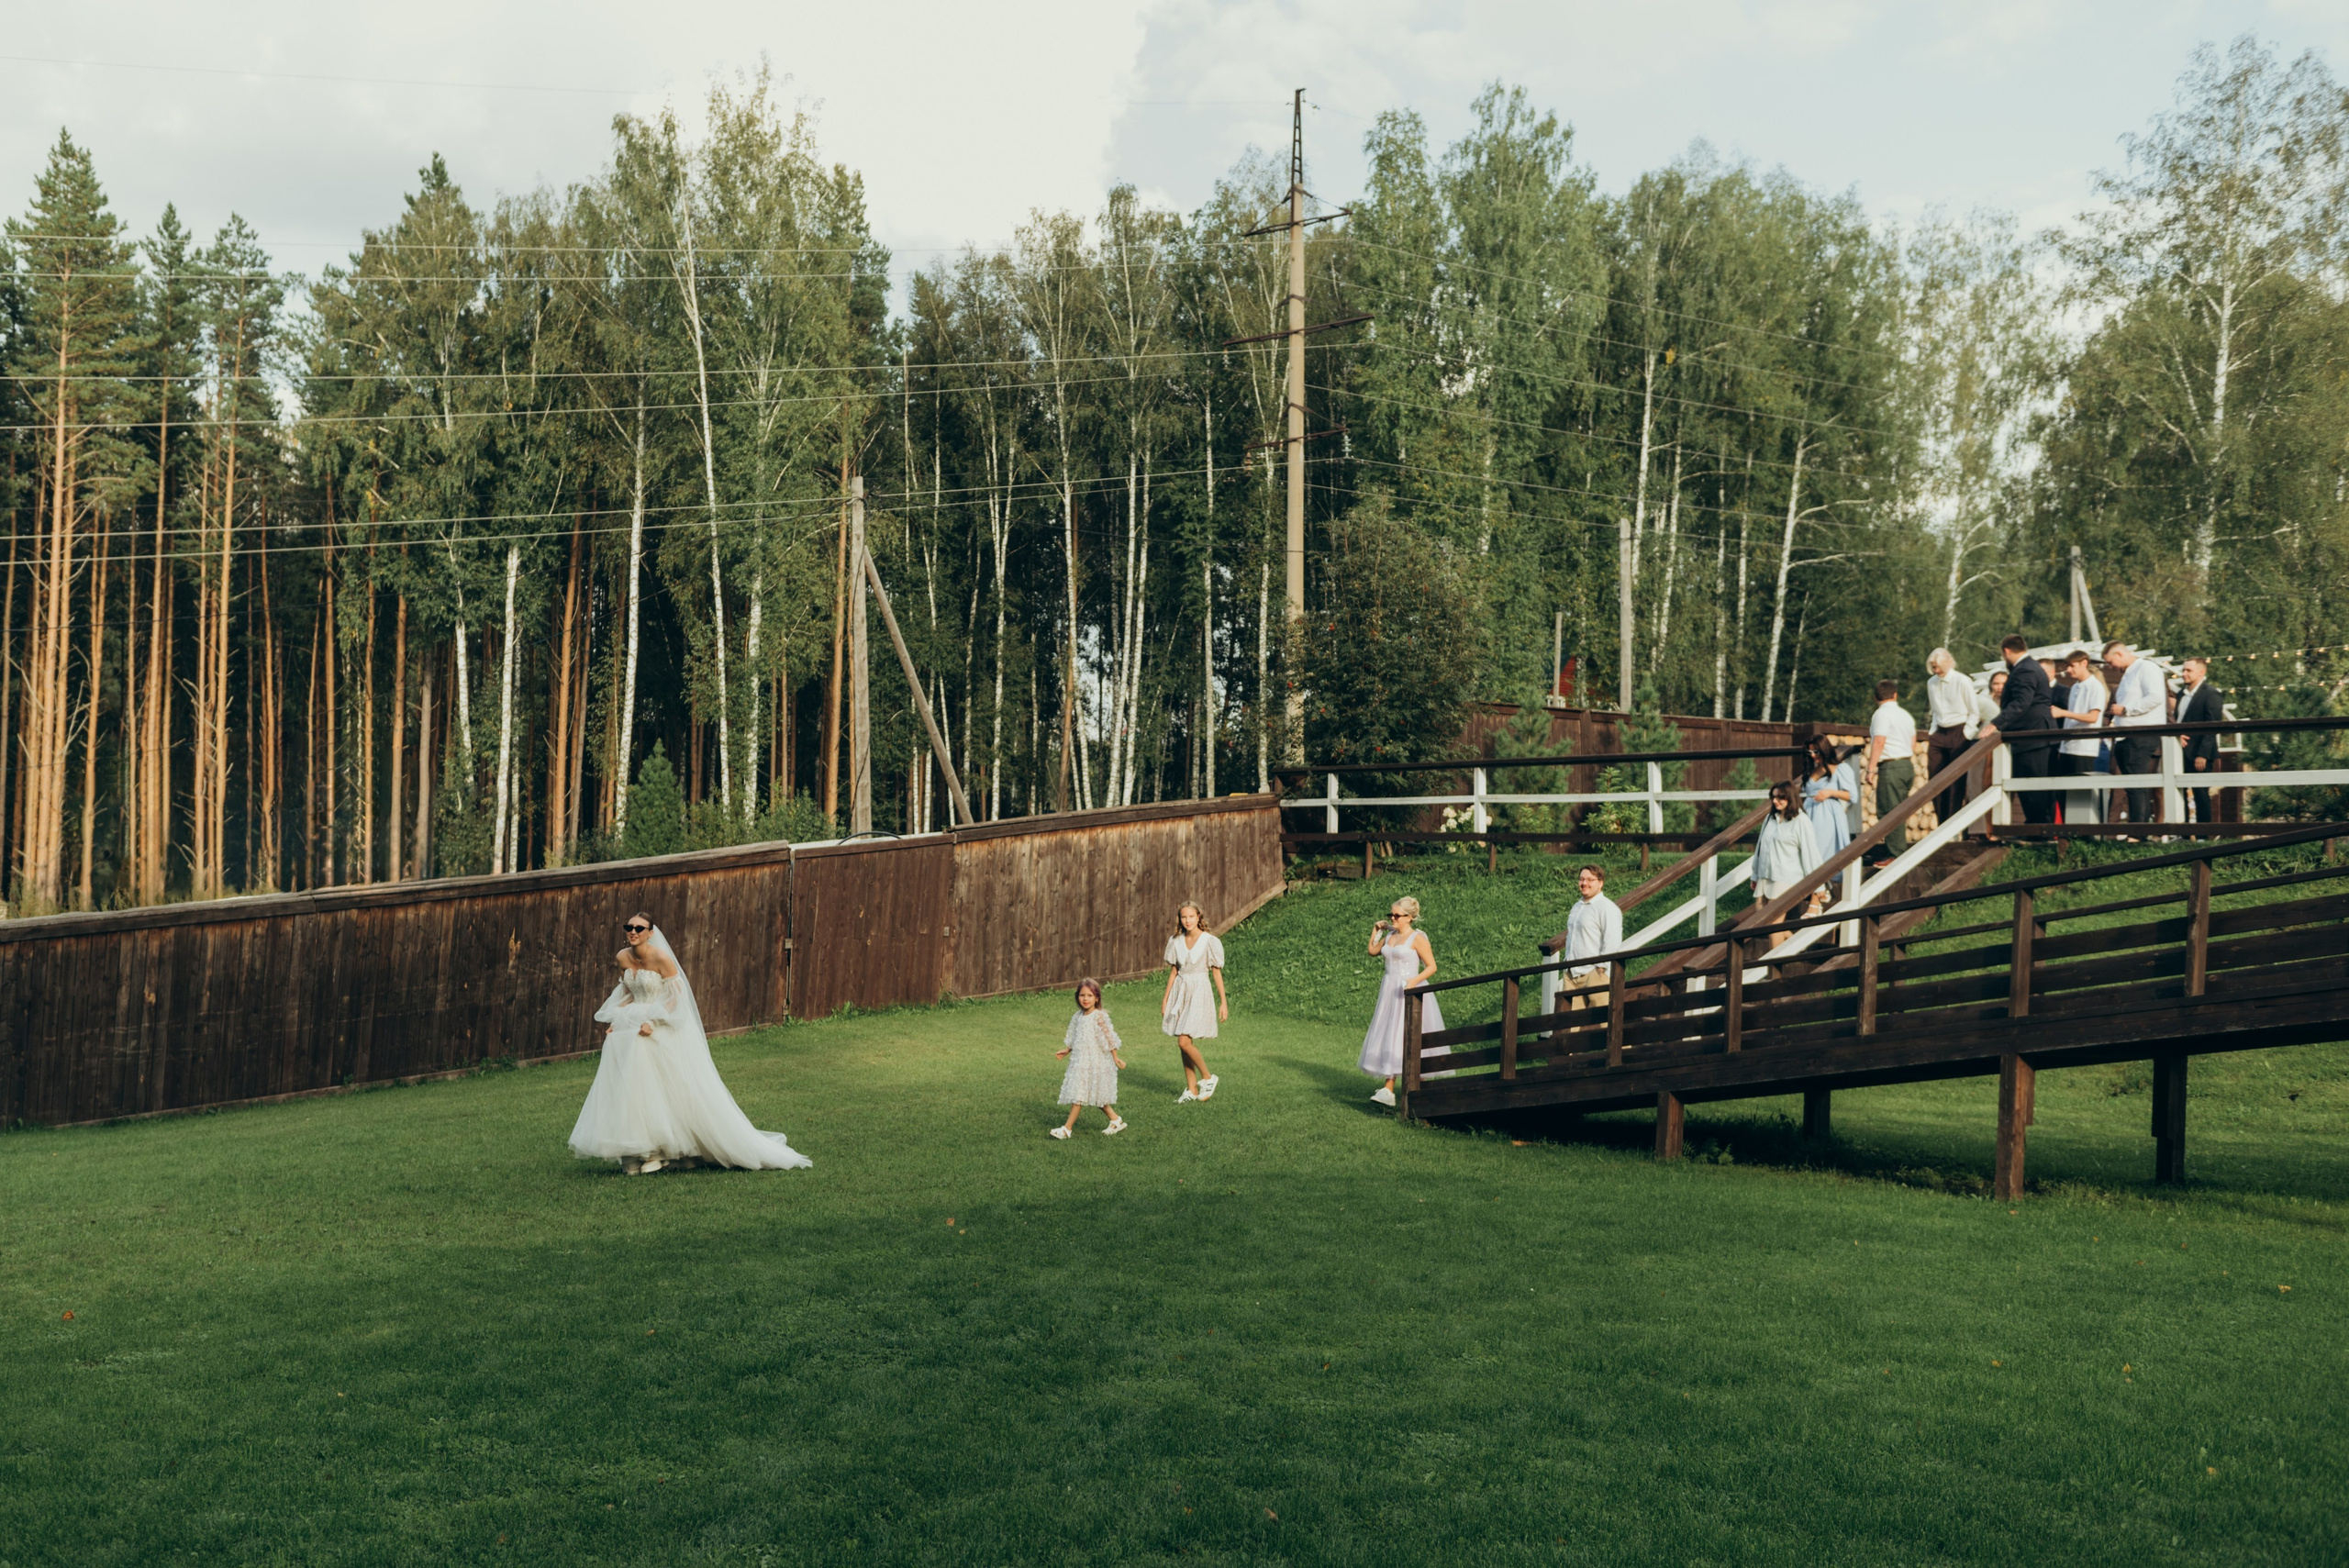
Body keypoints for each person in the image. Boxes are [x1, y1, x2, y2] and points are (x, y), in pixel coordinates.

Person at [569, 914, 813, 1174]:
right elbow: (629, 992)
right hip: (632, 1024)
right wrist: (617, 1019)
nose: (633, 931)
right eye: (629, 927)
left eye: (639, 928)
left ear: (651, 932)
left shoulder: (662, 958)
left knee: (659, 1086)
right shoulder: (622, 957)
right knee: (630, 1087)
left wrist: (654, 1021)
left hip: (657, 1024)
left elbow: (677, 998)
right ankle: (636, 1151)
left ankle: (658, 1152)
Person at [1360, 895, 1442, 1107]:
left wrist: (1414, 981)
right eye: (1391, 914)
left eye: (1397, 915)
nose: (1393, 918)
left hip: (1409, 989)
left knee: (1409, 1035)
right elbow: (1372, 951)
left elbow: (1432, 966)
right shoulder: (1390, 936)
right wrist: (1376, 930)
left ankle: (1418, 1091)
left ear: (1410, 917)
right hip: (1389, 991)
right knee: (1390, 1034)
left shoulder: (1417, 939)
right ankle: (1389, 1088)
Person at [1986, 635, 2057, 824]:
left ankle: (2037, 828)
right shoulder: (2033, 667)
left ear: (2006, 651)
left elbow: (2021, 702)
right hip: (2039, 734)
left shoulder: (2024, 670)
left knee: (2032, 784)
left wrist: (1996, 723)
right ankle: (2039, 826)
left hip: (2031, 736)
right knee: (2039, 785)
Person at [1161, 902, 1229, 1103]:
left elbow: (1216, 972)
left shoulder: (1209, 941)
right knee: (1184, 1043)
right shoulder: (1175, 941)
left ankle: (1208, 1077)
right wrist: (1165, 999)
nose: (1187, 920)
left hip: (1199, 991)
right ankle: (1191, 1089)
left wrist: (1223, 1002)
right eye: (1183, 917)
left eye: (1191, 916)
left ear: (1199, 917)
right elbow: (1174, 972)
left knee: (1184, 1040)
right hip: (1180, 991)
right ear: (1179, 919)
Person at [1537, 864, 1622, 1018]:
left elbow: (1612, 939)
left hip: (1594, 973)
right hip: (1572, 973)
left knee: (1607, 1020)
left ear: (1600, 882)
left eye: (1590, 880)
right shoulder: (1577, 906)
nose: (1584, 883)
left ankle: (1624, 1044)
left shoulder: (1606, 908)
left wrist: (1601, 967)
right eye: (1582, 879)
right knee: (1568, 1024)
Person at [1752, 781, 1824, 948]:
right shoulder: (1769, 818)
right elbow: (1760, 847)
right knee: (1764, 920)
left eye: (1780, 797)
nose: (1776, 801)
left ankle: (1775, 967)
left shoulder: (1801, 820)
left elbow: (1810, 852)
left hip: (1786, 878)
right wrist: (1755, 874)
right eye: (1774, 797)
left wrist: (1818, 885)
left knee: (1773, 922)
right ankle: (1796, 946)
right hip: (1766, 877)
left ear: (1790, 797)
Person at [1052, 978, 1127, 1138]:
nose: (1085, 999)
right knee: (1094, 1095)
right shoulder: (1078, 1016)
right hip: (1080, 1061)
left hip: (1095, 1061)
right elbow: (1076, 1037)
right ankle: (1115, 1120)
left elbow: (1109, 1038)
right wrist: (1067, 1050)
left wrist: (1116, 1057)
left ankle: (1067, 1129)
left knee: (1079, 1095)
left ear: (1097, 998)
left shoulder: (1099, 1016)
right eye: (1082, 995)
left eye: (1090, 996)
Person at [2104, 640, 2166, 832]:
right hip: (2126, 736)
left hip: (2140, 735)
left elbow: (2156, 697)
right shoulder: (2128, 673)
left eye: (2110, 661)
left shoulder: (2146, 668)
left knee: (2138, 785)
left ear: (2120, 654)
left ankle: (2139, 832)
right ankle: (2138, 829)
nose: (2110, 666)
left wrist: (2127, 710)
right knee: (2132, 786)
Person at [1864, 681, 1917, 868]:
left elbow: (1879, 741)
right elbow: (1912, 741)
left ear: (1875, 697)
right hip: (1906, 764)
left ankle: (1896, 853)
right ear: (1895, 695)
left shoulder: (1881, 714)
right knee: (1898, 809)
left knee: (1888, 811)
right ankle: (1895, 849)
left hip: (1891, 765)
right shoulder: (1905, 715)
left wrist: (1870, 768)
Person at [2053, 649, 2109, 825]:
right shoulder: (2075, 687)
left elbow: (2093, 717)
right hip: (2068, 746)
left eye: (2072, 666)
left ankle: (2082, 831)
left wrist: (2064, 713)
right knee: (2063, 791)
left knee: (2080, 793)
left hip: (2084, 748)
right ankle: (2068, 830)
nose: (2069, 670)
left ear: (2084, 663)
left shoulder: (2095, 687)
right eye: (2067, 666)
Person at [1924, 648, 1977, 820]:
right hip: (1939, 733)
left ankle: (1953, 823)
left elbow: (1974, 712)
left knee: (1956, 780)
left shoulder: (1963, 681)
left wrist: (1965, 735)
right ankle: (1941, 821)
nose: (1936, 671)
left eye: (1938, 667)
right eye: (1933, 667)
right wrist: (1933, 732)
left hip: (1959, 731)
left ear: (1949, 662)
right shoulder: (1931, 683)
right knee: (1935, 778)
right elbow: (1935, 711)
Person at [1801, 738, 1857, 883]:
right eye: (1810, 752)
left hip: (1827, 815)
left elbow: (1853, 796)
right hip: (1809, 813)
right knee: (1807, 848)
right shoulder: (1812, 770)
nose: (1813, 755)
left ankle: (1824, 885)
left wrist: (1831, 792)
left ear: (1825, 750)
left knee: (1823, 848)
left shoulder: (1840, 769)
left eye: (1816, 751)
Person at [2176, 657, 2223, 823]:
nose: (2183, 674)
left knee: (2201, 793)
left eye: (2188, 670)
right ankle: (2184, 833)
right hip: (2179, 751)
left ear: (2201, 672)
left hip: (2199, 753)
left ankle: (2203, 834)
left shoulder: (2211, 694)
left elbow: (2212, 727)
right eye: (2183, 670)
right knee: (2179, 792)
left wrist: (2202, 754)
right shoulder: (2180, 694)